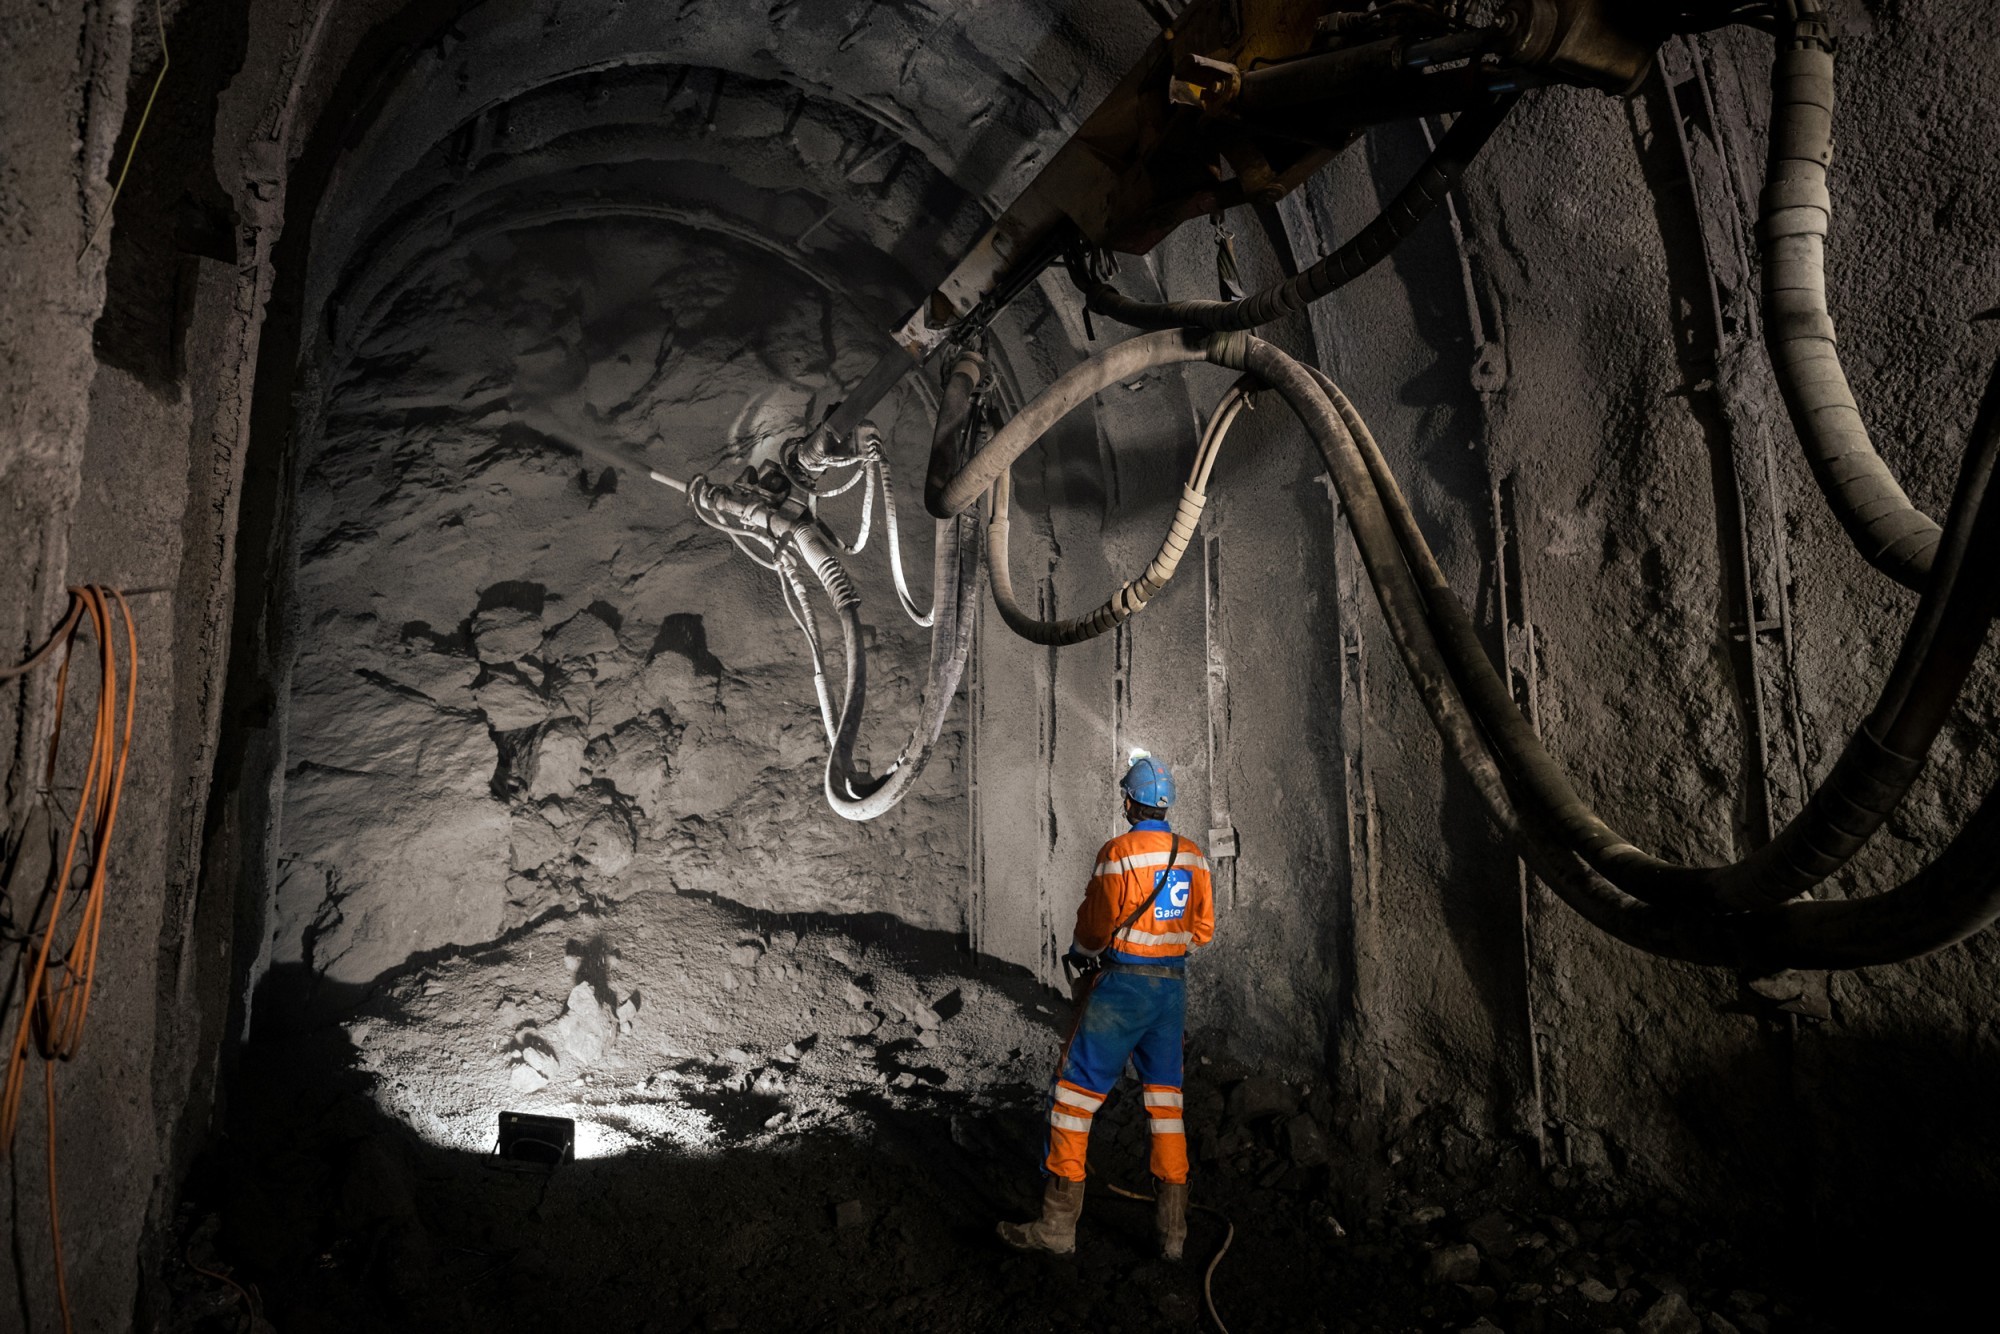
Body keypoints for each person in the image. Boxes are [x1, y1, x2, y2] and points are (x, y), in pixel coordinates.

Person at [997, 750, 1215, 1260]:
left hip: (1122, 991)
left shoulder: (1118, 854)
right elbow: (1202, 932)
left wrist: (1086, 955)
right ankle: (1173, 1235)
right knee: (1166, 1104)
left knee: (1072, 1100)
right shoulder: (1195, 856)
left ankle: (1057, 1227)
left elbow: (1094, 930)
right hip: (1171, 990)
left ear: (1129, 802)